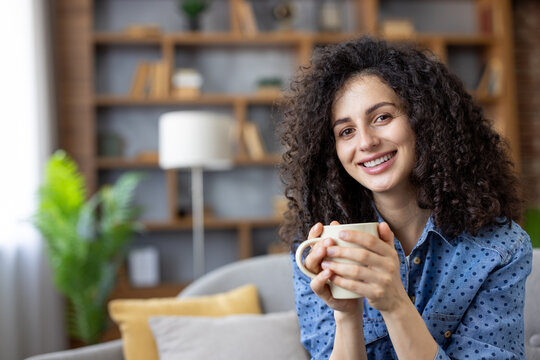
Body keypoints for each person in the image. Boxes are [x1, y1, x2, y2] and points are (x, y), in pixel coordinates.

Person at [278, 36, 532, 359]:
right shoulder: (316, 249)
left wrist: (395, 303)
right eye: (346, 131)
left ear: (422, 120)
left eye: (382, 117)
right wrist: (346, 315)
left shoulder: (498, 250)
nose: (366, 142)